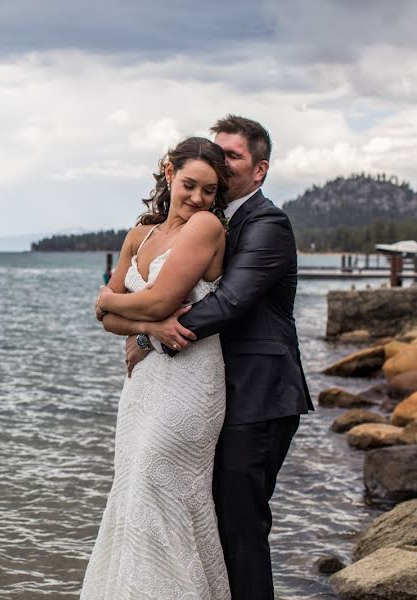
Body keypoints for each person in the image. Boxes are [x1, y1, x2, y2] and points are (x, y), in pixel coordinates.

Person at [119, 115, 313, 600]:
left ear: (260, 169)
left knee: (241, 530)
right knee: (202, 519)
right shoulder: (205, 220)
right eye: (216, 153)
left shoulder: (267, 223)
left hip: (258, 398)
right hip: (210, 392)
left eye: (232, 157)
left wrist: (147, 335)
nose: (221, 165)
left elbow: (228, 303)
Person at [80, 136, 232, 599]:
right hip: (143, 385)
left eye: (209, 190)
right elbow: (108, 321)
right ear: (169, 173)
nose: (197, 198)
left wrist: (112, 300)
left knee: (157, 482)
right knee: (131, 490)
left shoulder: (206, 227)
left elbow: (161, 299)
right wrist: (147, 328)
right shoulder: (140, 235)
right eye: (189, 184)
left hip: (191, 382)